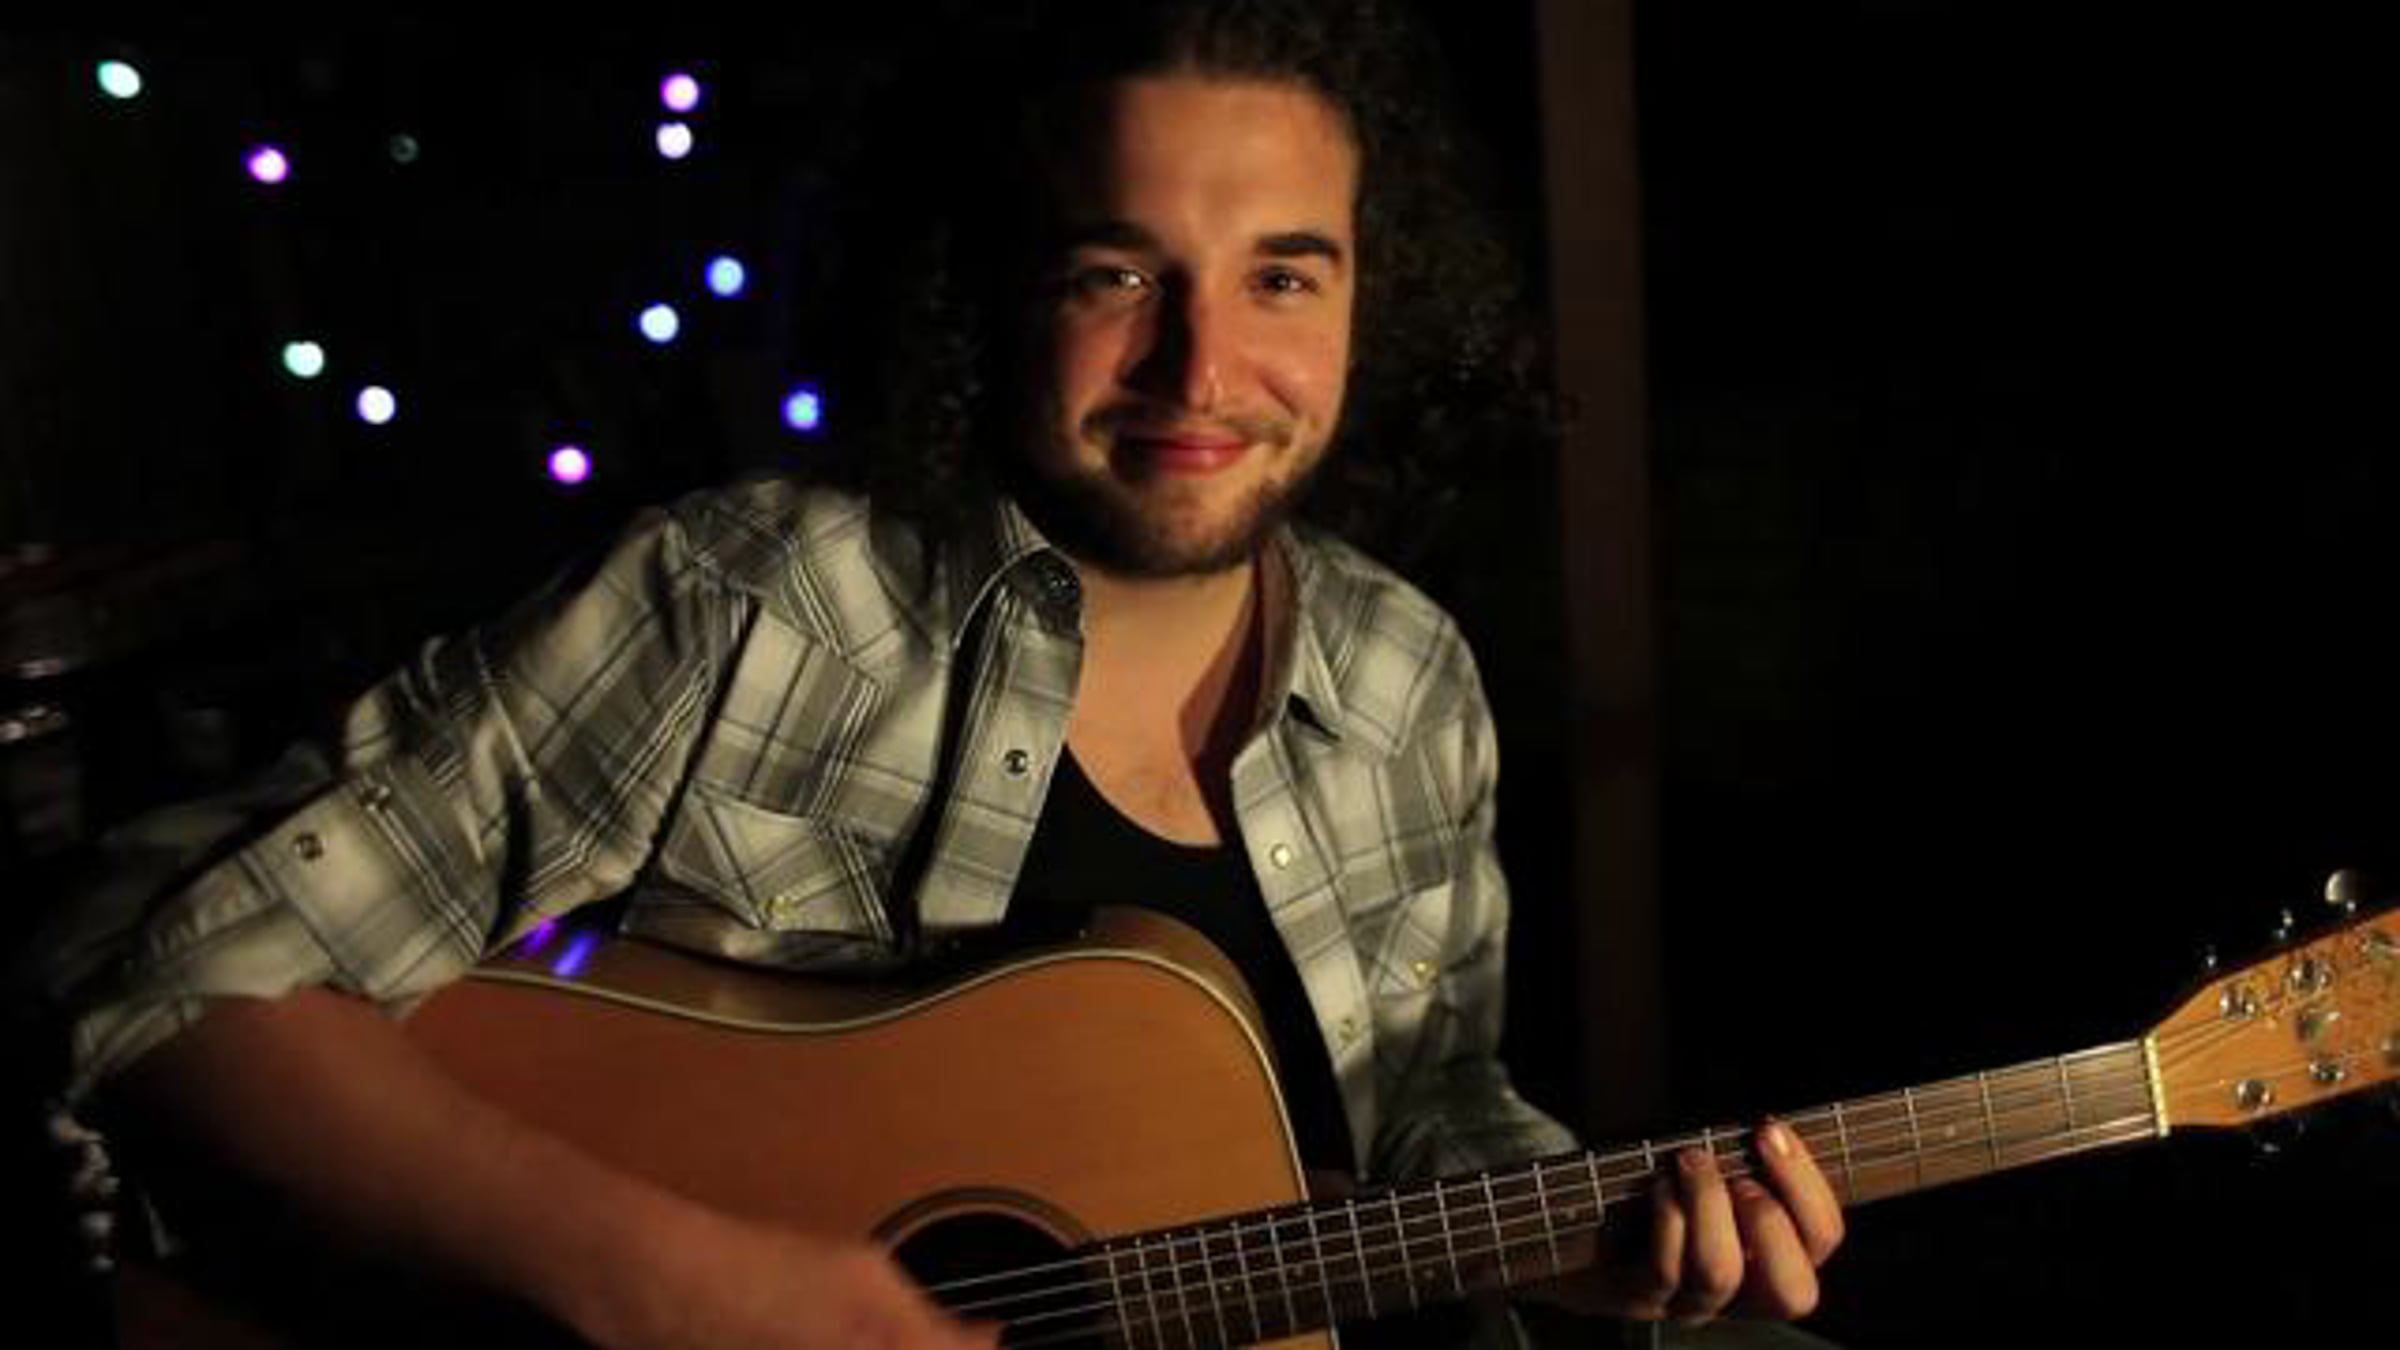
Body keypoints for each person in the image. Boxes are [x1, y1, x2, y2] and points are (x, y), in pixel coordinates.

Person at [34, 2, 1843, 1346]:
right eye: (1118, 273)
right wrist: (666, 1283)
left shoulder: (1407, 674)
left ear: (1379, 294)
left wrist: (1581, 1233)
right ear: (991, 292)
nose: (1201, 369)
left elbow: (1430, 1101)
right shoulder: (756, 604)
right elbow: (158, 972)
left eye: (1284, 279)